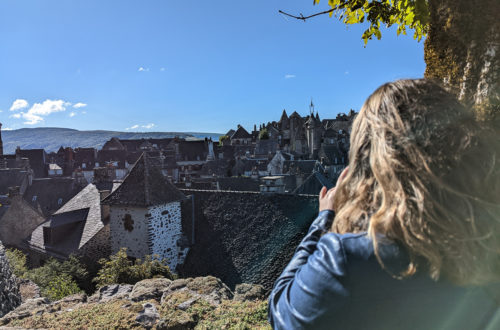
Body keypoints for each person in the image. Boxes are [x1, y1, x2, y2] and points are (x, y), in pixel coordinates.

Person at [268, 79, 500, 330]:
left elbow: (282, 311)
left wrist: (324, 219)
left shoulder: (351, 259)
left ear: (373, 157)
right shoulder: (489, 238)